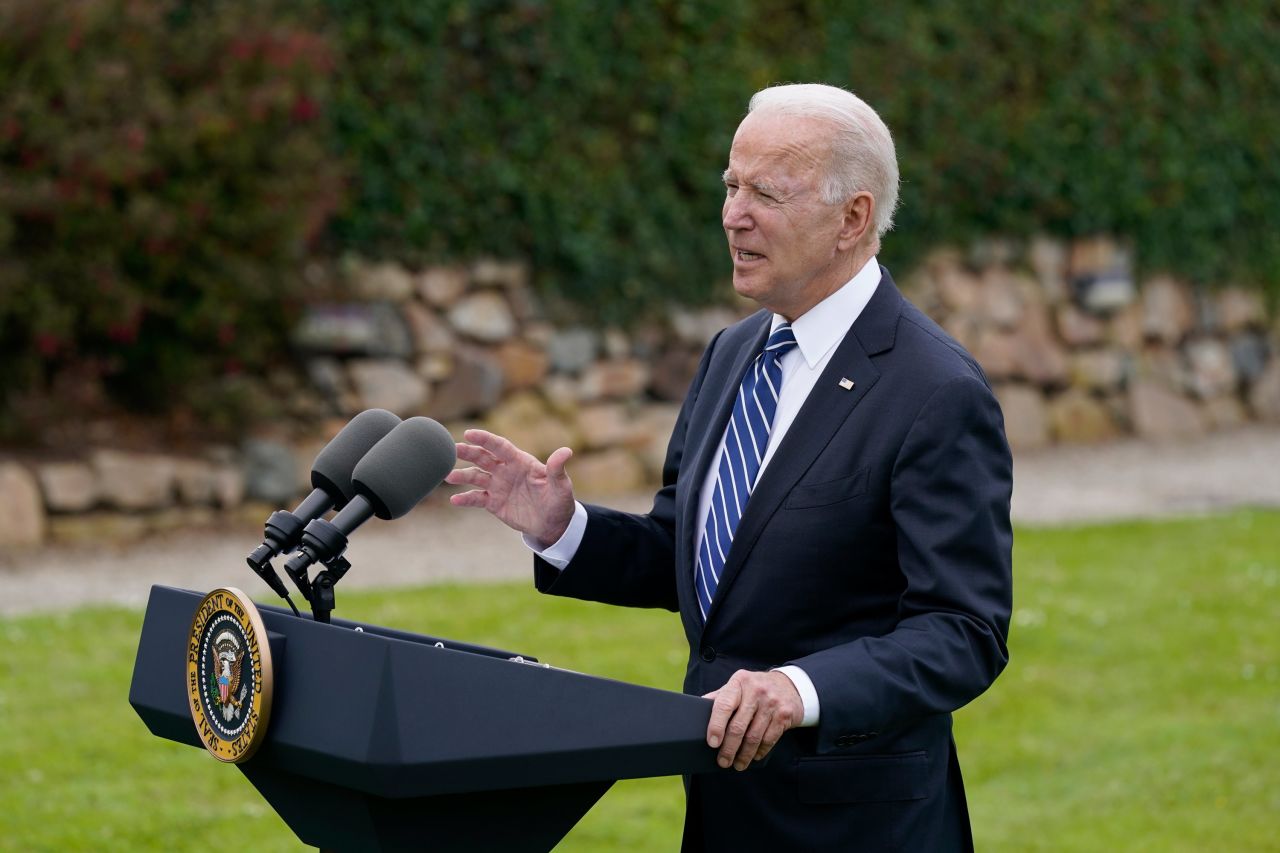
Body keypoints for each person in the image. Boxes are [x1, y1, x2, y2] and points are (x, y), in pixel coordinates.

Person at [445, 83, 1013, 851]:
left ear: (853, 218)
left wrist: (796, 689)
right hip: (722, 809)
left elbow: (962, 630)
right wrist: (565, 530)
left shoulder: (936, 390)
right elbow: (700, 558)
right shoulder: (733, 353)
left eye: (766, 193)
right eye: (731, 185)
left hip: (858, 824)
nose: (733, 214)